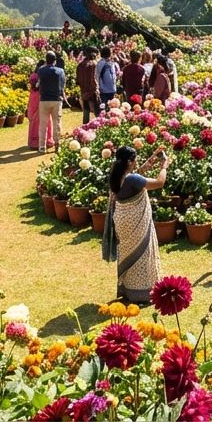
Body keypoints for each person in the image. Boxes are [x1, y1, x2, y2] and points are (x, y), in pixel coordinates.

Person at [101, 145, 169, 303]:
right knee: (143, 255)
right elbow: (159, 182)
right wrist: (164, 166)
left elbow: (137, 175)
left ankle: (128, 290)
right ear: (130, 162)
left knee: (128, 254)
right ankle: (143, 293)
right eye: (135, 160)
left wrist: (153, 156)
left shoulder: (117, 176)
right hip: (135, 222)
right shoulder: (132, 179)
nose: (137, 162)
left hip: (122, 221)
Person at [37, 52, 66, 151]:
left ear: (46, 60)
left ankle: (42, 146)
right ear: (55, 60)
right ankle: (57, 144)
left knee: (43, 124)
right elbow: (62, 85)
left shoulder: (41, 70)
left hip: (44, 99)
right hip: (56, 100)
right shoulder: (60, 71)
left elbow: (39, 82)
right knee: (56, 123)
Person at [27, 60, 54, 152]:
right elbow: (37, 87)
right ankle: (45, 140)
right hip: (39, 98)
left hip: (34, 99)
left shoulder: (34, 75)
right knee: (42, 119)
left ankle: (37, 141)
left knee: (36, 119)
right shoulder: (38, 76)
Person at [77, 48, 100, 124]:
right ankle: (99, 126)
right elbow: (95, 78)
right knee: (97, 111)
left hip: (84, 90)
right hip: (93, 90)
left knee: (86, 111)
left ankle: (85, 127)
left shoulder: (80, 65)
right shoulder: (94, 64)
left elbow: (78, 80)